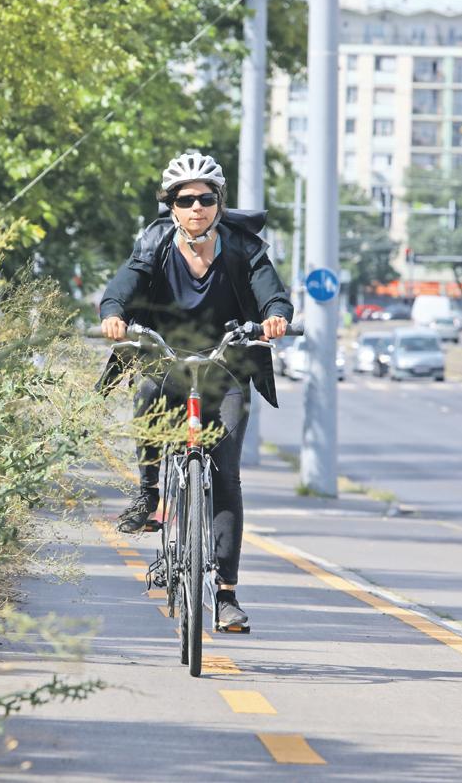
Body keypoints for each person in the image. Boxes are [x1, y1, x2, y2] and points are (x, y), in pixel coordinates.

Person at [97, 152, 293, 630]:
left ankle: (226, 595)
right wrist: (113, 313)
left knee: (226, 475)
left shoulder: (243, 246)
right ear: (172, 206)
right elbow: (123, 284)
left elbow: (272, 291)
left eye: (205, 198)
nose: (196, 208)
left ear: (219, 202)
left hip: (227, 368)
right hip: (168, 362)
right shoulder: (155, 241)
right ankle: (149, 494)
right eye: (185, 200)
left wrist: (275, 316)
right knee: (147, 393)